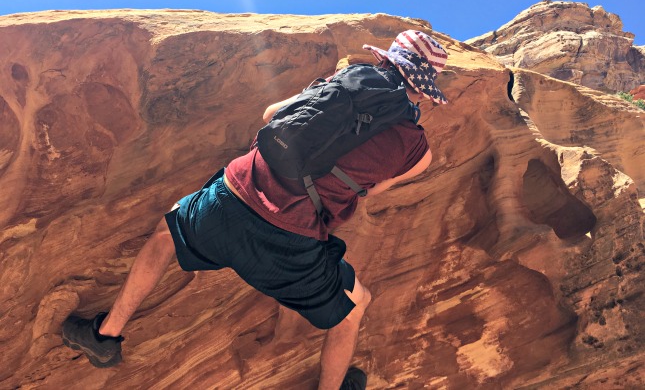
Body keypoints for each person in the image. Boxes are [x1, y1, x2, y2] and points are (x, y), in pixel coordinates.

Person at [62, 30, 449, 390]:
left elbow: (270, 116)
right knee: (354, 308)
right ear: (424, 90)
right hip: (291, 242)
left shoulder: (348, 79)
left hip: (230, 198)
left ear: (386, 61)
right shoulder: (418, 152)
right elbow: (374, 190)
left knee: (168, 232)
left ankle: (106, 337)